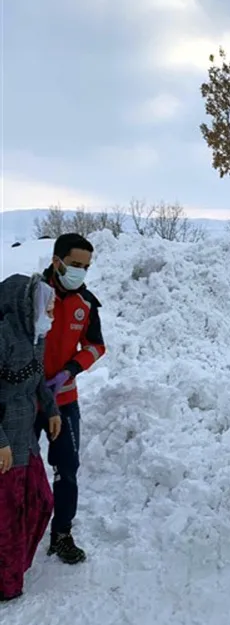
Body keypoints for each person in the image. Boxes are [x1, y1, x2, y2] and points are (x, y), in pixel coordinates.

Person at [35, 233, 106, 564]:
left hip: (64, 399)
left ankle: (61, 533)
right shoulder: (30, 295)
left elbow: (96, 346)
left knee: (67, 467)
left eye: (86, 267)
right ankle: (14, 532)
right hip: (25, 401)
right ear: (56, 261)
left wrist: (70, 370)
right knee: (16, 469)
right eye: (75, 264)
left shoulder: (87, 304)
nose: (80, 271)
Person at [0, 273, 61, 601]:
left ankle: (14, 566)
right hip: (5, 443)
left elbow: (39, 380)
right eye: (47, 308)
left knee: (40, 502)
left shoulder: (37, 335)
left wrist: (51, 410)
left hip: (26, 437)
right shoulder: (3, 335)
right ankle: (6, 584)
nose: (51, 314)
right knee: (6, 517)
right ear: (27, 306)